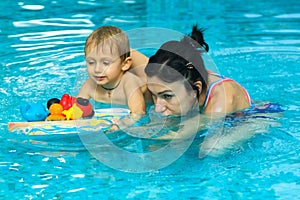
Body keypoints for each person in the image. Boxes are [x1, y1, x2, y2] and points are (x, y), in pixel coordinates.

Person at [144, 25, 252, 116]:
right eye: (153, 94)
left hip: (252, 118)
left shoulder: (221, 103)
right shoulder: (188, 74)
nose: (157, 109)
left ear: (196, 88)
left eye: (167, 96)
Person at [78, 26, 149, 115]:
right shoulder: (89, 85)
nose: (97, 70)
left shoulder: (130, 83)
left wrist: (120, 124)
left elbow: (139, 113)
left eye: (106, 63)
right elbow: (76, 109)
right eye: (91, 62)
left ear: (125, 64)